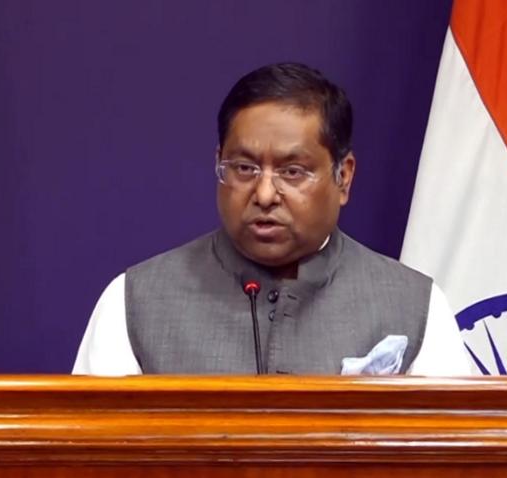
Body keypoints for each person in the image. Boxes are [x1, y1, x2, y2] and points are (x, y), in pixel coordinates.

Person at [72, 62, 470, 376]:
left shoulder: (416, 306)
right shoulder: (134, 302)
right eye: (244, 168)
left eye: (292, 172)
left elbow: (450, 451)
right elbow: (94, 452)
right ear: (218, 164)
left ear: (343, 177)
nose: (264, 194)